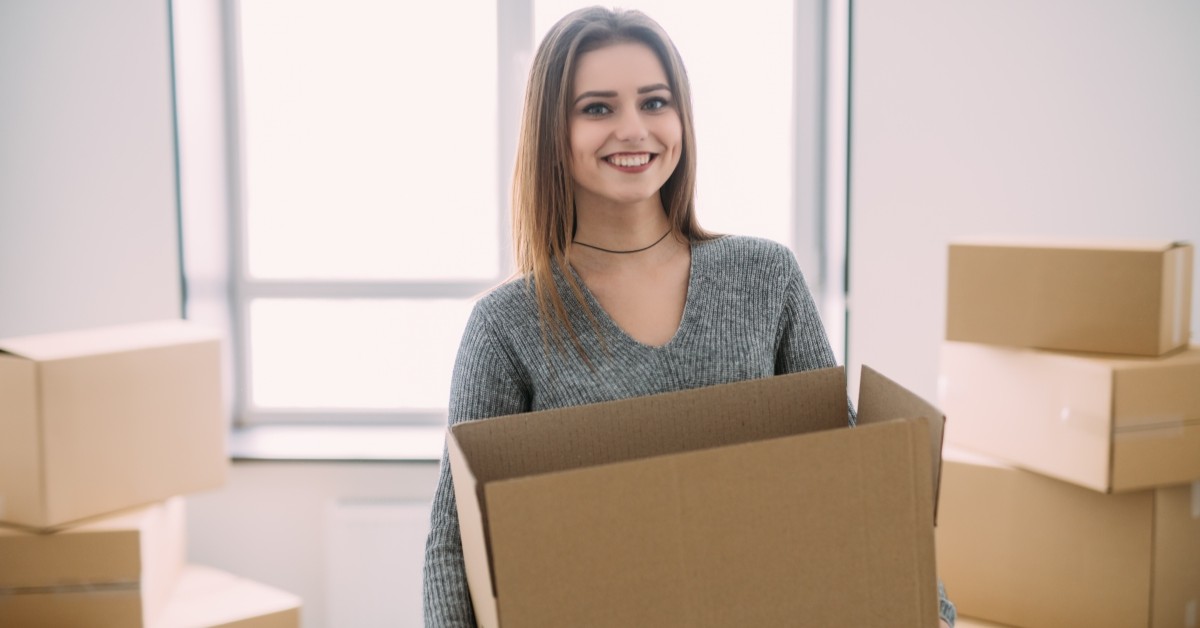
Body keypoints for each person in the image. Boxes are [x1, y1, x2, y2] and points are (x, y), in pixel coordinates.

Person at [422, 6, 956, 627]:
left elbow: (854, 472)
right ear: (552, 132)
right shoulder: (508, 325)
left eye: (654, 102)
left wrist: (933, 610)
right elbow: (454, 543)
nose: (634, 129)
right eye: (598, 108)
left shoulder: (764, 277)